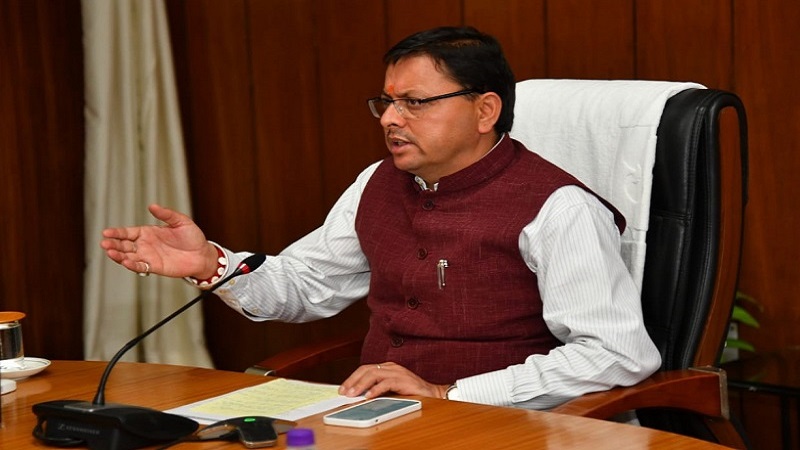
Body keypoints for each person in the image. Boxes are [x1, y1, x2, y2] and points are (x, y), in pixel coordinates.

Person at [101, 26, 660, 410]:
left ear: (485, 110)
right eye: (387, 102)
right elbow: (307, 285)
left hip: (503, 426)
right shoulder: (378, 182)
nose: (390, 118)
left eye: (415, 102)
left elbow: (615, 355)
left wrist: (449, 394)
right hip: (378, 418)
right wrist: (211, 264)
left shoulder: (559, 207)